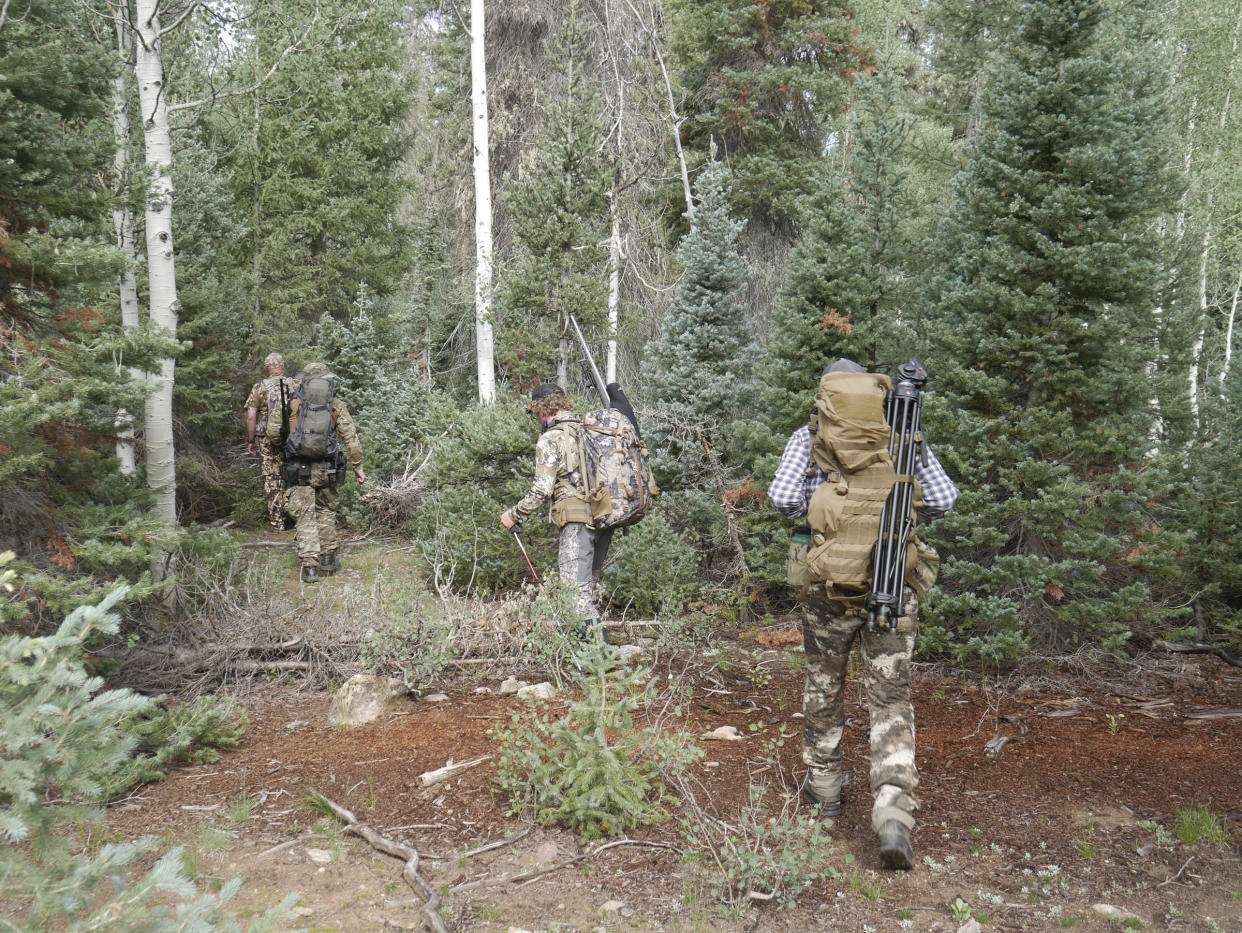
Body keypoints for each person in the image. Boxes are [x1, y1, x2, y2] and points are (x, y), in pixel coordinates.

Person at [768, 358, 958, 871]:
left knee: (824, 684)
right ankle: (893, 814)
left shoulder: (809, 437)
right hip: (893, 589)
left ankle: (826, 789)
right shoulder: (903, 436)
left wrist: (823, 520)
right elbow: (943, 498)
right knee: (890, 699)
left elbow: (783, 496)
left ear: (828, 395)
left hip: (828, 592)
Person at [499, 382, 635, 641]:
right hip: (605, 517)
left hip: (577, 521)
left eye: (535, 412)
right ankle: (590, 650)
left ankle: (599, 657)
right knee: (586, 589)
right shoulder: (588, 429)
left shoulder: (551, 439)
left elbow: (541, 490)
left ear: (541, 410)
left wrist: (513, 514)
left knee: (575, 592)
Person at [266, 361, 366, 583]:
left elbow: (272, 434)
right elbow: (351, 439)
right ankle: (328, 559)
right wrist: (358, 468)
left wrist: (289, 442)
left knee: (304, 515)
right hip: (327, 467)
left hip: (297, 467)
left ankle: (310, 568)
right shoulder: (334, 404)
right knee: (326, 511)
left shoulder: (290, 402)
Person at [245, 352, 296, 531]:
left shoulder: (260, 387)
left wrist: (251, 441)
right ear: (282, 367)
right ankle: (295, 517)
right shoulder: (294, 384)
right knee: (292, 474)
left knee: (272, 477)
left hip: (267, 439)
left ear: (268, 369)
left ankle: (277, 522)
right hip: (292, 439)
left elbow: (251, 417)